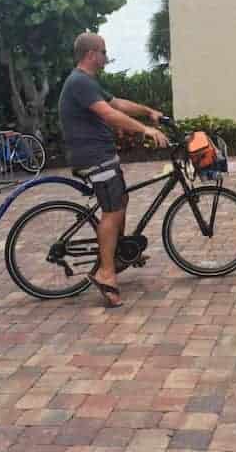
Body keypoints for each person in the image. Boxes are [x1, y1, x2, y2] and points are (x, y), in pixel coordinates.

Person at [58, 32, 169, 307]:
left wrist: (148, 111)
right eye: (104, 52)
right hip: (93, 157)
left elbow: (116, 103)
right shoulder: (79, 82)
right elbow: (108, 114)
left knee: (122, 199)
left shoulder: (88, 82)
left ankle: (117, 254)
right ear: (91, 53)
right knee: (112, 210)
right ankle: (106, 274)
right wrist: (145, 130)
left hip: (102, 154)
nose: (106, 57)